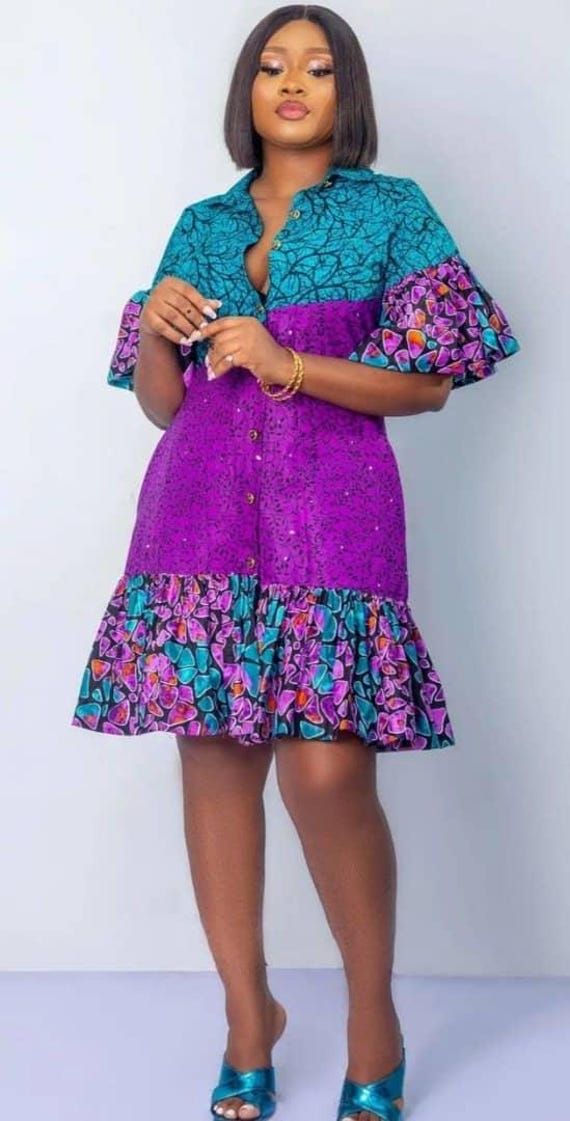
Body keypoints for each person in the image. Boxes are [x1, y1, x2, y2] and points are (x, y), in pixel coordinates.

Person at [70, 5, 521, 1120]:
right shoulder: (203, 223)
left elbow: (430, 382)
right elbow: (165, 407)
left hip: (334, 514)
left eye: (318, 68)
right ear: (247, 90)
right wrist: (159, 333)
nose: (291, 82)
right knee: (216, 759)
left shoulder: (392, 212)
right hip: (195, 521)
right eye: (272, 65)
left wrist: (287, 360)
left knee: (326, 771)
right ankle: (247, 1019)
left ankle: (374, 1018)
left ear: (346, 93)